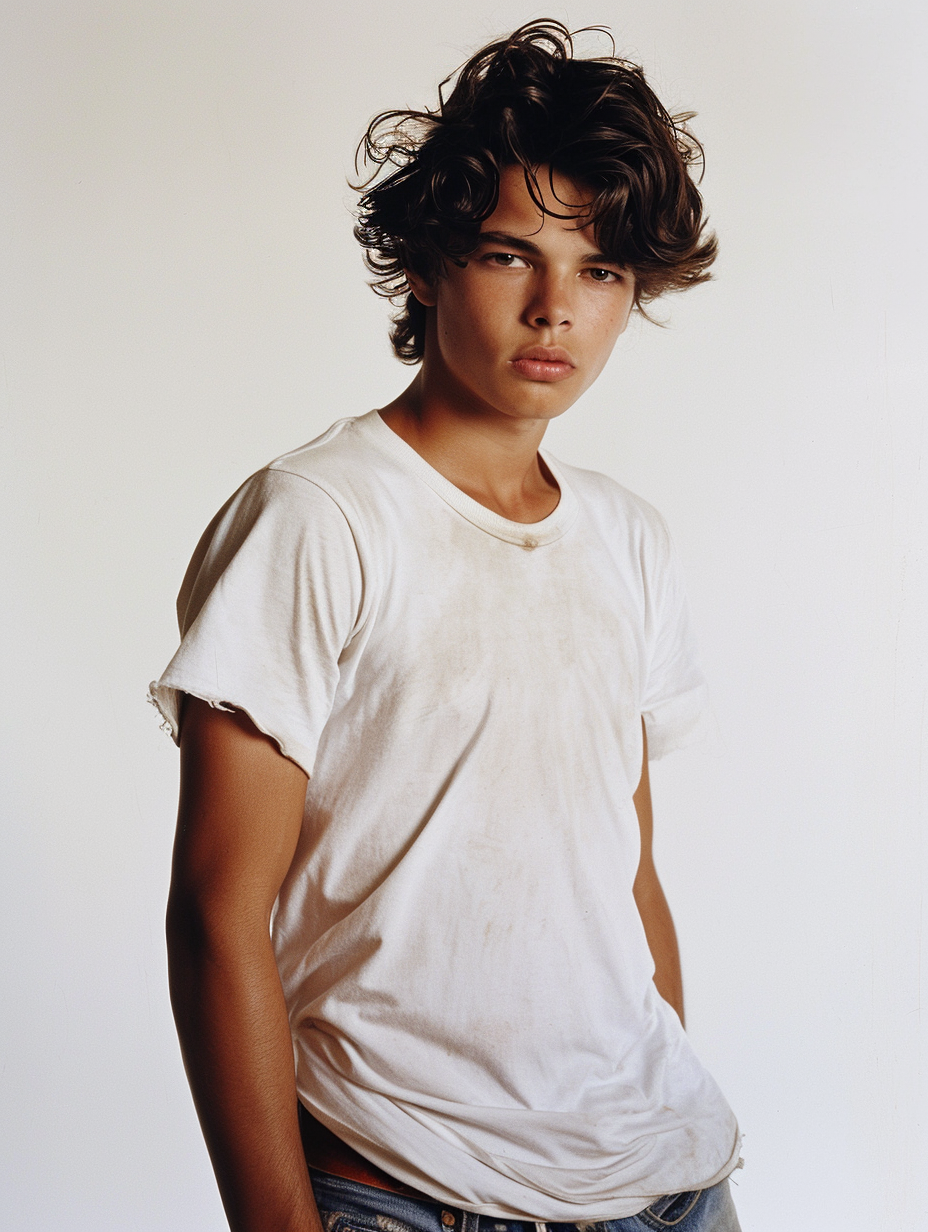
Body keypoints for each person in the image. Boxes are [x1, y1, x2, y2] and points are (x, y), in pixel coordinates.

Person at [150, 20, 742, 1232]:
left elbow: (623, 870)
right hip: (403, 1183)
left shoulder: (627, 537)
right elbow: (217, 909)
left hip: (662, 1179)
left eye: (601, 272)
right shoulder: (319, 515)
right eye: (507, 255)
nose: (554, 310)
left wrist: (661, 1097)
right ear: (424, 266)